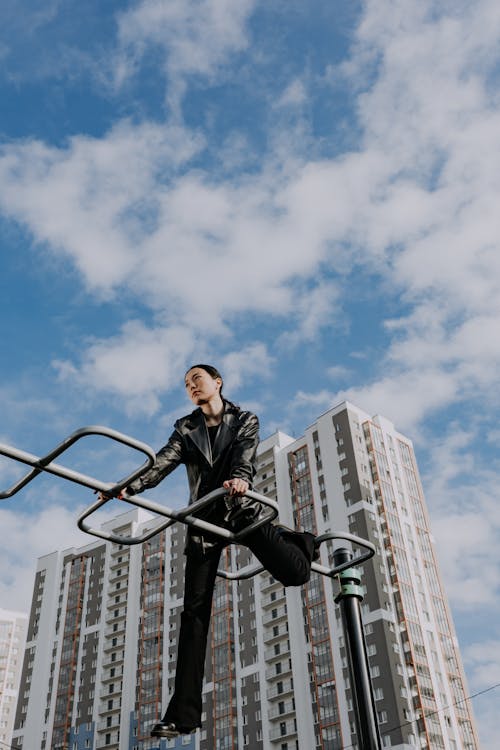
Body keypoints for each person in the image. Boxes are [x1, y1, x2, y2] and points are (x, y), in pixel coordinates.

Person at [121, 364, 317, 739]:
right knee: (194, 615)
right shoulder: (185, 428)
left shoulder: (244, 418)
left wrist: (242, 479)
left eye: (196, 379)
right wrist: (130, 487)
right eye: (185, 384)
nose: (191, 387)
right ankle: (183, 716)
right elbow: (162, 462)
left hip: (240, 509)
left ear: (217, 383)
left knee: (296, 574)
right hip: (205, 522)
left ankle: (303, 542)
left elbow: (246, 452)